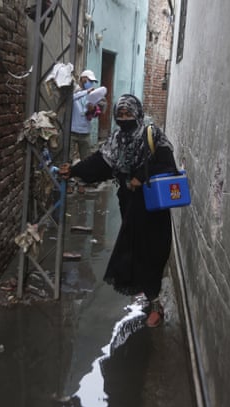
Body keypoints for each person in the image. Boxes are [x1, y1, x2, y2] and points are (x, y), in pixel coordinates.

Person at [59, 94, 178, 327]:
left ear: (138, 113)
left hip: (152, 207)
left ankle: (156, 306)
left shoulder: (151, 135)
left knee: (152, 251)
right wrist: (74, 171)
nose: (125, 118)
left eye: (129, 113)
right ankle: (149, 293)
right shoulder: (117, 139)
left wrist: (141, 178)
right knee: (134, 250)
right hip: (130, 205)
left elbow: (167, 165)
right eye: (120, 115)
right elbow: (100, 163)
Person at [69, 69, 102, 194]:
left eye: (92, 82)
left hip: (85, 132)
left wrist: (93, 109)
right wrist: (85, 92)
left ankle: (82, 183)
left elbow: (94, 113)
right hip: (72, 131)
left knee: (85, 160)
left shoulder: (92, 95)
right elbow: (70, 99)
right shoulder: (75, 91)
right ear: (83, 79)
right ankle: (69, 183)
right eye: (89, 80)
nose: (91, 84)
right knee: (68, 159)